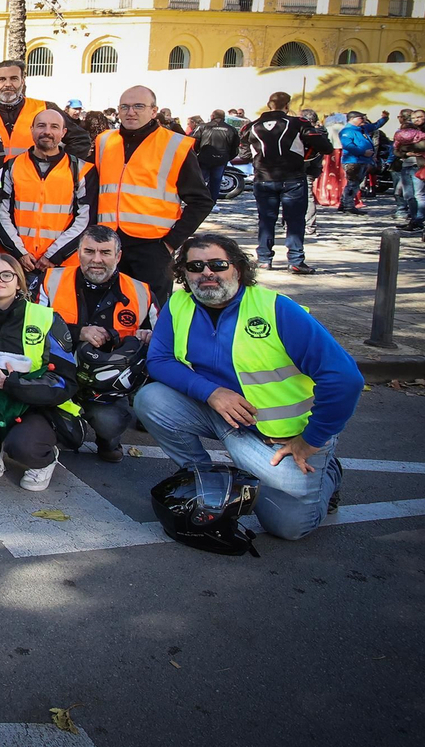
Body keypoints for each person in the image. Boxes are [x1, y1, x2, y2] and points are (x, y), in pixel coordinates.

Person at [136, 235, 362, 541]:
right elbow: (159, 359)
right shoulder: (179, 304)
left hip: (281, 437)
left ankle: (329, 472)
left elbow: (345, 378)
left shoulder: (277, 309)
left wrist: (312, 440)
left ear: (238, 270)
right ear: (184, 274)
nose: (207, 272)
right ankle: (202, 478)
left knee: (289, 528)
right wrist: (211, 393)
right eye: (195, 266)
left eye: (218, 264)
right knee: (151, 399)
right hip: (223, 414)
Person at [0, 253, 80, 489]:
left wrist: (16, 386)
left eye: (6, 275)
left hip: (38, 406)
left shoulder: (46, 318)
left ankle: (44, 460)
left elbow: (65, 381)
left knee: (24, 447)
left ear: (19, 281)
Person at [38, 227, 154, 462]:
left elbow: (165, 340)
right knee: (58, 437)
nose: (96, 259)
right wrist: (78, 332)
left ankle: (108, 440)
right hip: (55, 375)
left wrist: (149, 338)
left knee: (109, 423)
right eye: (89, 251)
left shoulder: (142, 292)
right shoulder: (51, 280)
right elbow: (27, 326)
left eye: (105, 252)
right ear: (78, 253)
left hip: (106, 386)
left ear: (118, 256)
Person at [93, 85, 213, 299]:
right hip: (108, 242)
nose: (131, 112)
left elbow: (201, 201)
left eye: (139, 106)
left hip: (152, 246)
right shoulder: (104, 141)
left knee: (151, 310)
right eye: (125, 107)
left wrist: (171, 242)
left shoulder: (175, 145)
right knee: (107, 308)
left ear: (153, 110)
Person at [0, 108, 94, 291]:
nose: (47, 131)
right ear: (31, 130)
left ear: (63, 133)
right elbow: (1, 213)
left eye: (54, 127)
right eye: (41, 126)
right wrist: (20, 253)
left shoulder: (81, 170)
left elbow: (84, 220)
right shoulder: (12, 166)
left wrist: (53, 256)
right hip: (18, 263)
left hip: (62, 264)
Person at [245, 92, 331, 274]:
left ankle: (264, 259)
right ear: (287, 105)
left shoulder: (251, 126)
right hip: (292, 178)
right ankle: (296, 260)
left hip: (263, 178)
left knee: (266, 220)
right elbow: (325, 147)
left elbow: (243, 152)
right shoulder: (298, 123)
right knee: (295, 221)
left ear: (268, 104)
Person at [0, 59, 91, 165]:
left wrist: (58, 165)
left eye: (14, 79)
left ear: (22, 81)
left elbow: (80, 140)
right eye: (2, 79)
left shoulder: (45, 108)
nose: (8, 84)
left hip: (31, 181)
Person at [337, 110, 389, 214]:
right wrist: (363, 152)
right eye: (361, 118)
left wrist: (384, 118)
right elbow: (348, 145)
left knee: (354, 183)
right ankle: (348, 206)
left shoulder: (362, 129)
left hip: (362, 161)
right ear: (352, 119)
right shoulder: (347, 131)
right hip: (353, 161)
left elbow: (375, 125)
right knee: (353, 184)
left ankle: (344, 203)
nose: (363, 120)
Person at [392, 109, 425, 232]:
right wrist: (404, 152)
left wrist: (405, 147)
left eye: (420, 117)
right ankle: (414, 219)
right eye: (414, 118)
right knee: (408, 194)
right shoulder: (406, 131)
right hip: (406, 164)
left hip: (420, 165)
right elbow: (395, 149)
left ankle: (420, 220)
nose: (417, 120)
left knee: (420, 194)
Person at [191, 109, 241, 203]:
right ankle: (212, 203)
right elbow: (235, 147)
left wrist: (197, 153)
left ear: (212, 116)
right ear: (224, 117)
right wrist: (226, 157)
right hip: (221, 160)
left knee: (199, 181)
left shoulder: (203, 127)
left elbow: (194, 141)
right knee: (216, 182)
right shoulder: (231, 129)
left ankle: (197, 201)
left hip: (204, 158)